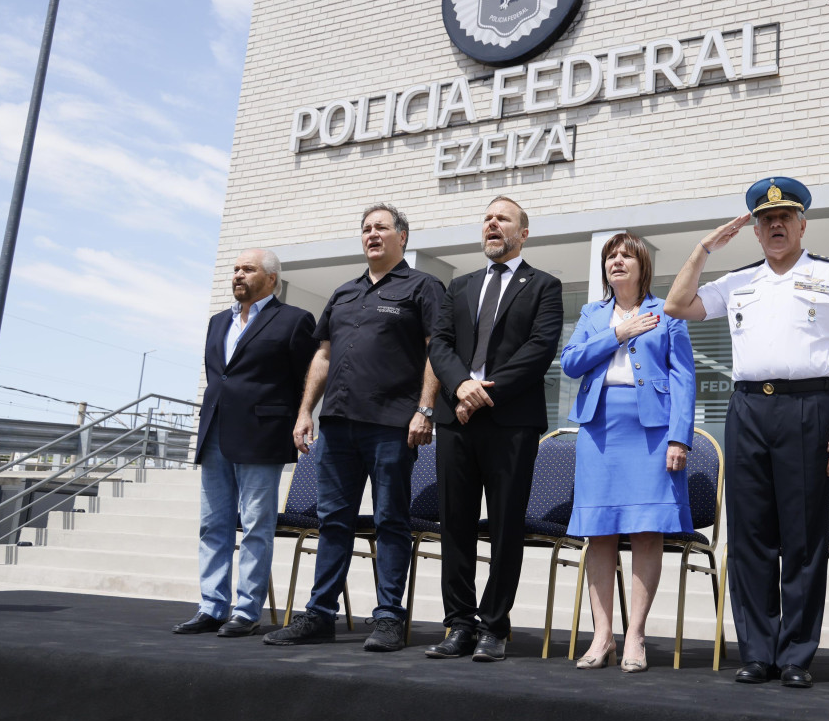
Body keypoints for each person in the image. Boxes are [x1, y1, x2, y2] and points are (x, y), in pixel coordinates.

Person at [665, 177, 829, 688]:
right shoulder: (739, 281)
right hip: (749, 409)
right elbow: (676, 305)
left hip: (809, 408)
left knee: (802, 536)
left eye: (785, 217)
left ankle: (796, 654)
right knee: (750, 534)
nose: (775, 225)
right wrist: (704, 247)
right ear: (754, 230)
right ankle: (757, 650)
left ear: (802, 224)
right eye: (765, 220)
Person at [262, 204, 444, 652]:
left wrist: (425, 409)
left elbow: (434, 351)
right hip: (337, 426)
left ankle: (387, 619)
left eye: (381, 227)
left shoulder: (424, 287)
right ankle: (320, 614)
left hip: (391, 426)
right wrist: (305, 411)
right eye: (366, 229)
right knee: (333, 522)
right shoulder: (343, 293)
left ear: (403, 236)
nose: (372, 235)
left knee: (390, 521)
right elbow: (322, 356)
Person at [425, 195, 563, 662]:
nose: (492, 224)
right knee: (456, 526)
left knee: (506, 527)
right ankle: (458, 624)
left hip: (510, 422)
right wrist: (461, 386)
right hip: (456, 420)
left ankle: (494, 626)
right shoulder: (458, 285)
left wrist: (484, 392)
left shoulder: (544, 285)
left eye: (502, 219)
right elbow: (440, 344)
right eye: (486, 218)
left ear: (523, 233)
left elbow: (540, 348)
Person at [560, 232, 696, 673]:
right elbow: (571, 362)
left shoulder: (667, 312)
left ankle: (635, 635)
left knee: (645, 530)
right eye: (610, 256)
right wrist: (618, 333)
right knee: (598, 532)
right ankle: (602, 636)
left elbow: (684, 378)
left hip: (652, 431)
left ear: (642, 266)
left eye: (626, 256)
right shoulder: (591, 313)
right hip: (598, 429)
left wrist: (680, 437)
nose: (617, 261)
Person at [174, 249, 316, 637]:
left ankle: (246, 610)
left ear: (271, 279)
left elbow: (307, 378)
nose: (238, 275)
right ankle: (211, 606)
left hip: (262, 436)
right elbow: (219, 376)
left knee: (255, 525)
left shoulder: (294, 320)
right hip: (215, 432)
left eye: (248, 269)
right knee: (213, 524)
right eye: (236, 269)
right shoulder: (217, 322)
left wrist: (304, 415)